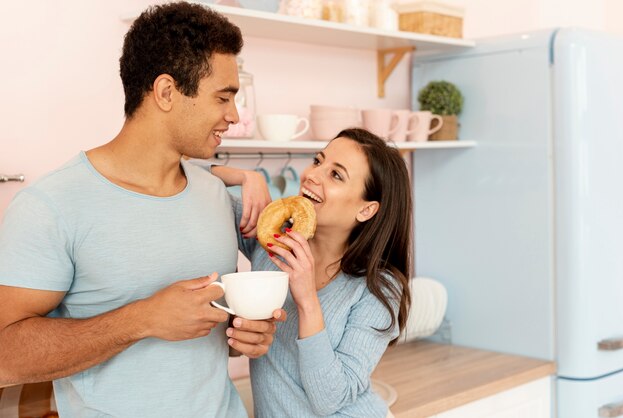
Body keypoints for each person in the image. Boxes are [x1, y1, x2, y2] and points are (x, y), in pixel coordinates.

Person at [0, 3, 281, 417]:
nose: (234, 116)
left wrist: (244, 334)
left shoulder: (216, 196)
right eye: (223, 98)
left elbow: (207, 334)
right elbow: (5, 357)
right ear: (166, 92)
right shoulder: (51, 206)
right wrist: (141, 319)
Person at [217, 128, 413, 417]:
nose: (312, 175)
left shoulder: (379, 288)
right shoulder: (274, 241)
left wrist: (307, 299)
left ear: (367, 209)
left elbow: (330, 399)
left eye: (336, 175)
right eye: (318, 161)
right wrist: (246, 177)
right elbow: (179, 172)